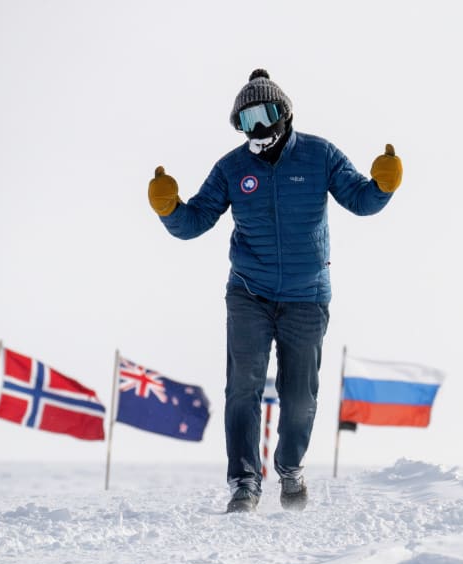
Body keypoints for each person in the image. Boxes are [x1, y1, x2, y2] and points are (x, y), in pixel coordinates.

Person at [147, 69, 401, 513]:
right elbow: (193, 223)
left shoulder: (320, 155)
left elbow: (360, 199)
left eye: (263, 115)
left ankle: (291, 468)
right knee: (242, 387)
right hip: (249, 291)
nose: (256, 128)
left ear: (284, 114)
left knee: (300, 397)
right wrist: (170, 207)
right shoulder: (231, 168)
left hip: (306, 296)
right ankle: (244, 483)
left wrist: (383, 185)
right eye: (245, 121)